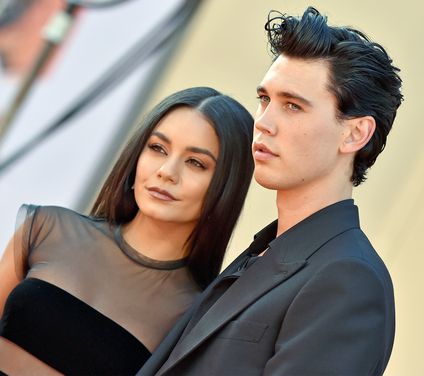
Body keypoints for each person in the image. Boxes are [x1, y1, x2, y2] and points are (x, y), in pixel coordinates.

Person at [137, 6, 403, 376]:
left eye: (292, 106)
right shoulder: (264, 253)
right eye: (265, 99)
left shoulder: (348, 280)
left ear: (355, 133)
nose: (263, 123)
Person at [0, 86, 255, 375]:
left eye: (196, 163)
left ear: (226, 186)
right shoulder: (47, 230)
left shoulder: (195, 314)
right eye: (158, 148)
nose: (166, 172)